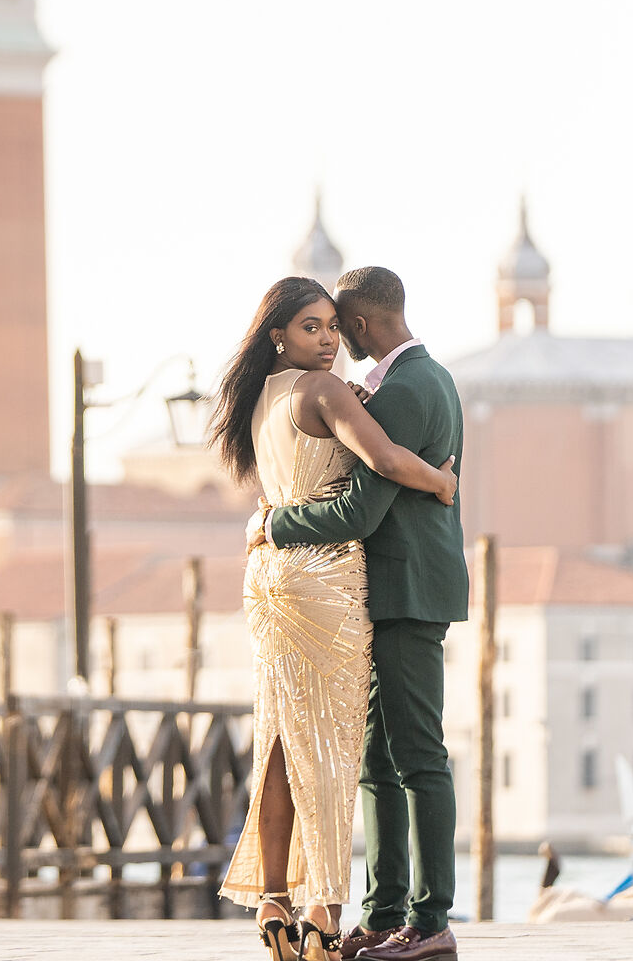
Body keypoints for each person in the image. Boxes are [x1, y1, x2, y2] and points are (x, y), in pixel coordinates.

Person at [212, 275, 458, 961]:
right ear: (279, 336)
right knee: (333, 745)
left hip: (268, 580)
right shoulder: (328, 391)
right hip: (325, 579)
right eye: (313, 328)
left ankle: (274, 898)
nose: (329, 340)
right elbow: (377, 473)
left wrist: (268, 523)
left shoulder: (261, 397)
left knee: (281, 738)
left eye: (332, 326)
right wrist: (441, 481)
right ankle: (325, 907)